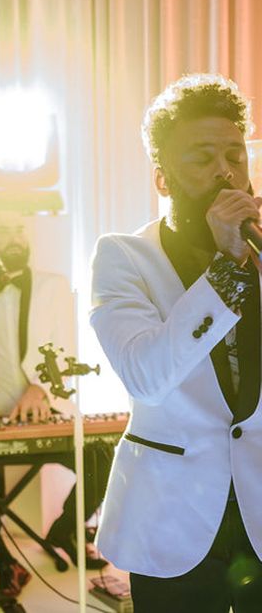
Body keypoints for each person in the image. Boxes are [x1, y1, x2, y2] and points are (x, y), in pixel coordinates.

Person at [90, 73, 262, 612]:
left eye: (235, 153)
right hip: (171, 516)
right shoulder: (123, 257)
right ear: (162, 179)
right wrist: (228, 270)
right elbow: (146, 375)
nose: (225, 171)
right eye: (202, 157)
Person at [0, 203, 112, 605]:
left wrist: (42, 390)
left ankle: (66, 530)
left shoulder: (54, 286)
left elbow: (64, 352)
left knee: (102, 455)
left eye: (19, 229)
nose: (15, 237)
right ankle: (4, 560)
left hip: (43, 415)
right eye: (2, 229)